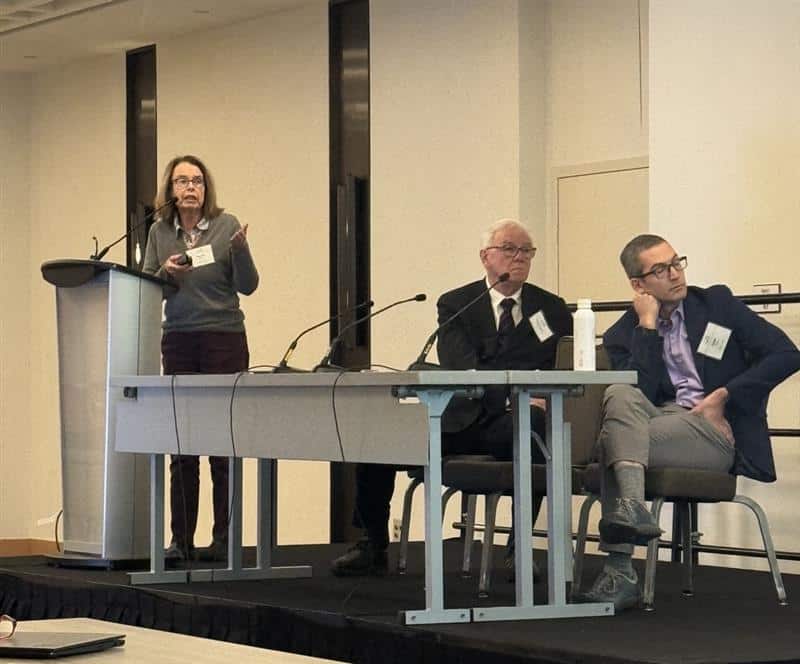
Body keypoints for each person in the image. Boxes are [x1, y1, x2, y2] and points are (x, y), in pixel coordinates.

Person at [331, 218, 573, 576]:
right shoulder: (458, 304)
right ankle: (372, 543)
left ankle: (520, 547)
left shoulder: (551, 308)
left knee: (534, 426)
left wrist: (524, 398)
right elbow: (461, 365)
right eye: (509, 248)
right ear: (485, 256)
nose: (519, 257)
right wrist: (510, 393)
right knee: (378, 437)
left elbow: (558, 365)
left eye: (527, 250)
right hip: (458, 418)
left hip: (511, 422)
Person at [579, 234, 800, 611]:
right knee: (620, 393)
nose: (675, 274)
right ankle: (632, 506)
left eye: (676, 262)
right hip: (660, 423)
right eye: (660, 270)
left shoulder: (717, 305)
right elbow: (644, 392)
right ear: (638, 285)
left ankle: (620, 572)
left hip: (713, 430)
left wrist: (724, 395)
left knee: (613, 443)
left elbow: (786, 354)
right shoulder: (623, 334)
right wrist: (647, 327)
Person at [142, 155, 259, 563]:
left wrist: (241, 251)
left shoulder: (226, 226)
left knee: (222, 445)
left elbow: (249, 285)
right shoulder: (159, 231)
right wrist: (165, 273)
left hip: (223, 340)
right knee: (182, 446)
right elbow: (147, 288)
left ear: (206, 189)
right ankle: (181, 541)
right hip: (179, 342)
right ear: (170, 190)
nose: (191, 187)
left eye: (197, 181)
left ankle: (224, 538)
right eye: (182, 181)